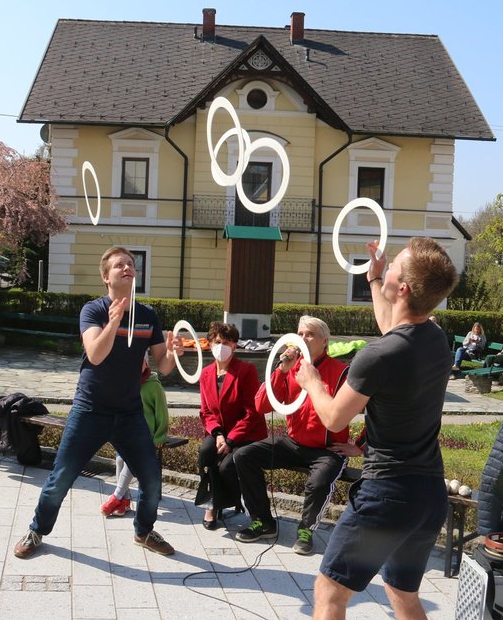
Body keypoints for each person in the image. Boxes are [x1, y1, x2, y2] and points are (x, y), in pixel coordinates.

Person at [295, 237, 459, 620]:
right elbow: (394, 325)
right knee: (402, 593)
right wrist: (375, 277)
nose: (390, 265)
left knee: (329, 593)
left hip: (387, 495)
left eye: (395, 265)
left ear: (403, 288)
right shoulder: (437, 340)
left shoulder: (376, 356)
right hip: (428, 497)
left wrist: (312, 382)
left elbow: (334, 418)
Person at [13, 247, 183, 559]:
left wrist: (172, 353)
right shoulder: (93, 310)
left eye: (131, 264)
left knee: (151, 479)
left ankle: (144, 531)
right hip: (90, 409)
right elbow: (94, 354)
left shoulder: (147, 315)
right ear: (106, 277)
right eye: (119, 265)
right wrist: (113, 322)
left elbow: (163, 365)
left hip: (129, 412)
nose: (128, 267)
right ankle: (37, 530)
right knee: (61, 478)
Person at [233, 315, 350, 555]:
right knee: (244, 456)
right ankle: (263, 522)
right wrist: (281, 370)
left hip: (327, 449)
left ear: (325, 341)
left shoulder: (341, 372)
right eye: (300, 334)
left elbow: (375, 409)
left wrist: (360, 445)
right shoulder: (290, 369)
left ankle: (306, 530)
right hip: (293, 442)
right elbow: (261, 406)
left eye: (310, 334)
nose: (303, 338)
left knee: (319, 481)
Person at [195, 321, 266, 530]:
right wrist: (218, 434)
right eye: (217, 342)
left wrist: (231, 439)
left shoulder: (246, 370)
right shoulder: (206, 373)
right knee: (206, 452)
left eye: (226, 343)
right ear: (209, 344)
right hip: (220, 432)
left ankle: (234, 501)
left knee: (227, 465)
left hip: (245, 433)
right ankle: (212, 503)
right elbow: (206, 411)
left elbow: (252, 412)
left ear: (235, 345)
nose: (221, 346)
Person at [100, 358, 169, 517]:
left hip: (145, 435)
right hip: (126, 431)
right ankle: (124, 501)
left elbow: (162, 413)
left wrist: (159, 437)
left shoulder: (154, 386)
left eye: (140, 361)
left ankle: (116, 496)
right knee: (120, 460)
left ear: (146, 363)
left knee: (130, 462)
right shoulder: (125, 383)